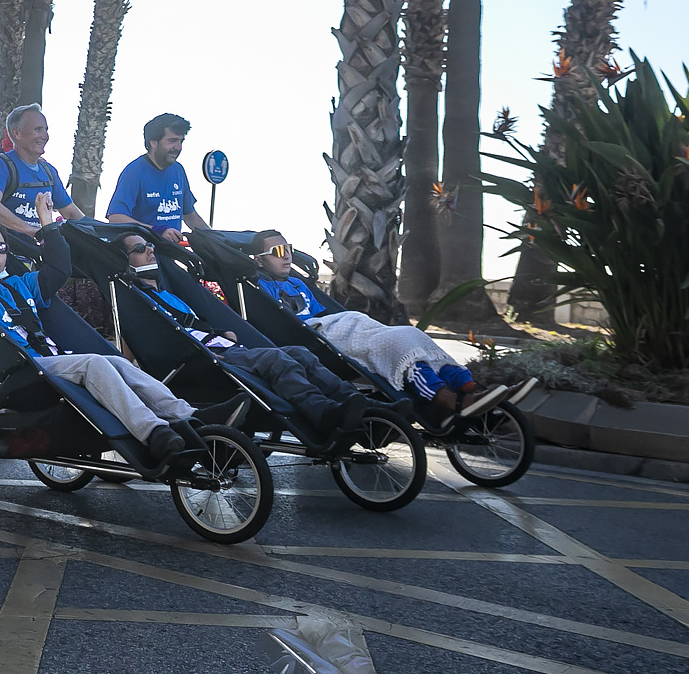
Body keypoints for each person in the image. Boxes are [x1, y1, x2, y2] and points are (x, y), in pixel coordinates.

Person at [0, 180, 217, 466]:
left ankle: (189, 417)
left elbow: (59, 267)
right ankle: (155, 432)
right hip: (19, 372)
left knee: (117, 362)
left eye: (1, 247)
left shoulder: (21, 284)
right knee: (95, 364)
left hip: (48, 362)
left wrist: (47, 223)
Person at [249, 230, 522, 425]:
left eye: (289, 250)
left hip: (340, 324)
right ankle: (444, 398)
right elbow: (294, 323)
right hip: (316, 335)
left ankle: (469, 387)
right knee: (396, 347)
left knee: (410, 334)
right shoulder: (258, 287)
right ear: (260, 259)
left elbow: (328, 312)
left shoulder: (299, 283)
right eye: (278, 252)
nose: (287, 257)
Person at [119, 232, 366, 440]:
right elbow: (143, 343)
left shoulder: (169, 296)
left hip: (222, 347)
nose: (150, 251)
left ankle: (353, 401)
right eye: (140, 248)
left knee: (300, 353)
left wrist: (219, 333)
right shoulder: (137, 302)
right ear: (125, 260)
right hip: (201, 359)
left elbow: (193, 324)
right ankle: (322, 412)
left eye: (151, 246)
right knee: (277, 361)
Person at [0, 104, 86, 237]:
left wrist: (104, 232)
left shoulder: (49, 171)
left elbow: (71, 213)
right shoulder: (1, 164)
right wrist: (32, 232)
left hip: (43, 248)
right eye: (38, 129)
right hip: (9, 250)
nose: (45, 136)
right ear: (16, 133)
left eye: (46, 130)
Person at [107, 113, 210, 242]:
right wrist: (157, 231)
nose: (178, 147)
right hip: (143, 255)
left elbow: (189, 215)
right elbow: (116, 218)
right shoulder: (134, 172)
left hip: (172, 253)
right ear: (153, 143)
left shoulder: (178, 170)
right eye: (172, 141)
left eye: (181, 141)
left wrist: (218, 239)